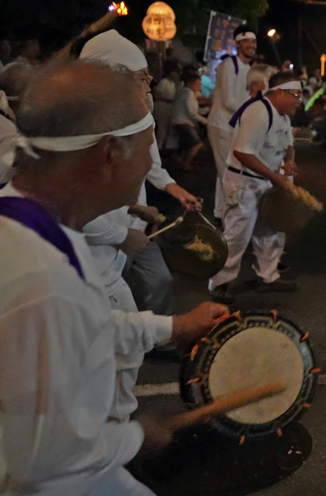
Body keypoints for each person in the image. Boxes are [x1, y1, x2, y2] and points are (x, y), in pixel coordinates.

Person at [0, 59, 228, 496]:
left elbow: (88, 325)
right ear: (109, 153)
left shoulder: (32, 225)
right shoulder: (43, 279)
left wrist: (173, 326)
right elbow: (46, 457)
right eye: (147, 149)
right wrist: (134, 437)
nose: (150, 165)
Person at [79, 29, 202, 318]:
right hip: (94, 253)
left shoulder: (137, 116)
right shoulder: (81, 131)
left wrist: (168, 189)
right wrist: (122, 234)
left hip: (131, 225)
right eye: (142, 78)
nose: (149, 88)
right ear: (111, 77)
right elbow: (71, 205)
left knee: (149, 288)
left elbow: (150, 163)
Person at [209, 71, 303, 302]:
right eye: (295, 95)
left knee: (270, 230)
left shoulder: (283, 116)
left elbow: (287, 144)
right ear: (278, 92)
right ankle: (219, 283)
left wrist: (289, 162)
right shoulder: (258, 112)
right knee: (237, 235)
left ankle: (268, 277)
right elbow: (242, 152)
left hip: (266, 181)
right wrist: (274, 175)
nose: (298, 101)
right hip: (245, 181)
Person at [208, 25, 256, 219]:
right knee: (228, 171)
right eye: (247, 41)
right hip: (221, 124)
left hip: (234, 126)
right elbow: (228, 101)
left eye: (253, 42)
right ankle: (230, 217)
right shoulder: (229, 64)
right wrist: (252, 110)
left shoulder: (249, 68)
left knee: (226, 170)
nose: (251, 45)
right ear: (237, 43)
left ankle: (220, 214)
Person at [172, 73, 208, 171]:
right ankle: (185, 163)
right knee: (196, 144)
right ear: (190, 83)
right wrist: (206, 121)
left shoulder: (186, 92)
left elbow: (195, 110)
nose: (199, 87)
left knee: (185, 144)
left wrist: (207, 111)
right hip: (183, 122)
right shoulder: (188, 93)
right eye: (198, 84)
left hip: (180, 121)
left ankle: (180, 159)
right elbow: (192, 113)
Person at [153, 61, 179, 149]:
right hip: (162, 106)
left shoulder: (172, 83)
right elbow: (158, 95)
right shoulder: (164, 82)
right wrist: (169, 100)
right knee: (162, 129)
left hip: (169, 107)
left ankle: (164, 147)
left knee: (167, 129)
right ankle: (158, 148)